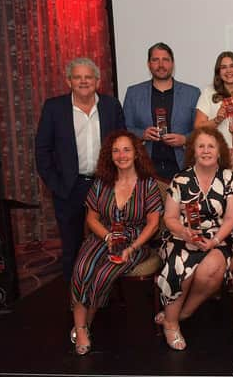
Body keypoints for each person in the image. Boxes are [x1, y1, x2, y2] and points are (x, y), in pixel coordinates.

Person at [69, 130, 163, 355]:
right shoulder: (102, 183)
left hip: (134, 242)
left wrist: (131, 247)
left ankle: (85, 324)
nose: (122, 155)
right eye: (116, 150)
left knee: (101, 274)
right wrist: (108, 237)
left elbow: (153, 224)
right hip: (103, 235)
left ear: (136, 153)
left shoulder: (148, 184)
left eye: (127, 150)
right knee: (82, 269)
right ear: (109, 155)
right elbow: (91, 218)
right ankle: (81, 327)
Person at [35, 57, 125, 282]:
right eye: (78, 77)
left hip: (105, 186)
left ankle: (105, 293)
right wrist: (57, 187)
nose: (83, 81)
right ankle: (75, 298)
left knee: (109, 242)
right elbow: (42, 151)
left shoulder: (111, 105)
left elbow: (123, 145)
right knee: (72, 247)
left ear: (97, 80)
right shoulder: (54, 108)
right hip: (69, 188)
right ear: (69, 81)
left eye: (88, 77)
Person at [154, 126, 233, 350]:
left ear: (219, 151)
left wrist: (213, 241)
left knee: (209, 270)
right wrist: (185, 233)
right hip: (182, 235)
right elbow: (170, 218)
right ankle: (171, 325)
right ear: (193, 151)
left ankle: (183, 313)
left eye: (211, 146)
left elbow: (231, 218)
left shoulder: (230, 178)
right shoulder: (180, 180)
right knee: (179, 264)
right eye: (200, 146)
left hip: (219, 236)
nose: (206, 150)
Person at [123, 42, 200, 181]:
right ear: (148, 64)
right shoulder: (133, 93)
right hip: (145, 170)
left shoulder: (192, 93)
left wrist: (184, 139)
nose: (161, 65)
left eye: (165, 60)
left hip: (183, 168)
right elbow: (124, 129)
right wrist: (142, 134)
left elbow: (201, 131)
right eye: (155, 60)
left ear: (172, 63)